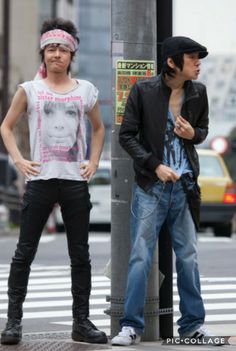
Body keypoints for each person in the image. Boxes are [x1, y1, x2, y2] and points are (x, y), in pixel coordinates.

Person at [0, 18, 107, 345]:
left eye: (62, 49)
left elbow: (99, 129)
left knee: (81, 254)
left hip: (75, 183)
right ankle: (13, 322)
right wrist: (18, 159)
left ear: (71, 53)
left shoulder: (85, 90)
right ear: (43, 53)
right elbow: (6, 126)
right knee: (24, 253)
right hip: (41, 181)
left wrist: (93, 161)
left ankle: (81, 322)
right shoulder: (29, 90)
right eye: (50, 48)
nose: (56, 54)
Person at [111, 36, 210, 346]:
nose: (198, 64)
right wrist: (154, 165)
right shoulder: (144, 90)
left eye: (199, 58)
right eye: (192, 58)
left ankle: (192, 326)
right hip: (151, 186)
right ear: (172, 62)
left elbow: (203, 131)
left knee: (189, 257)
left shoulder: (199, 93)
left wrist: (193, 133)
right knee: (140, 256)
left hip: (185, 187)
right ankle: (131, 326)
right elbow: (126, 136)